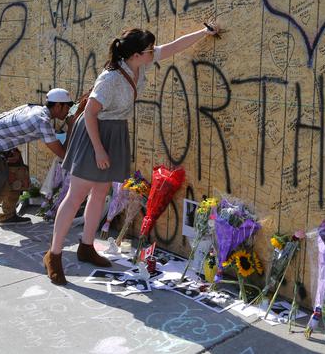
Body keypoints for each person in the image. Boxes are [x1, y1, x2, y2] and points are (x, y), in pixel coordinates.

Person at [44, 22, 221, 285]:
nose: (154, 52)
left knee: (101, 192)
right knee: (76, 195)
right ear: (136, 55)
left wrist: (204, 33)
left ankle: (86, 246)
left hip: (115, 131)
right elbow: (91, 113)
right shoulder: (111, 78)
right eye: (149, 49)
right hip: (95, 133)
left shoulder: (141, 63)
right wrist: (99, 149)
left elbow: (172, 48)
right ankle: (54, 255)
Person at [0, 88, 74, 242]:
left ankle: (8, 216)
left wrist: (10, 150)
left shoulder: (36, 108)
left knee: (18, 173)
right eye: (67, 106)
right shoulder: (42, 122)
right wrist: (72, 127)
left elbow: (9, 129)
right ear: (57, 106)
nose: (68, 111)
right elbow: (63, 154)